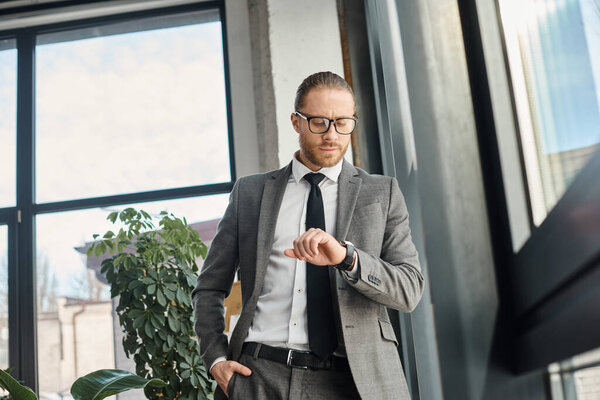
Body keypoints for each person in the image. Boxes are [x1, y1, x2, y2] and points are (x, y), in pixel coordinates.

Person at [192, 71, 424, 400]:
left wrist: (348, 258)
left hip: (353, 383)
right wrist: (216, 360)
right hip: (258, 377)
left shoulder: (381, 193)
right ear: (296, 122)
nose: (332, 134)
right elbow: (209, 287)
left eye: (343, 122)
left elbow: (409, 289)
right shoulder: (250, 193)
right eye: (319, 122)